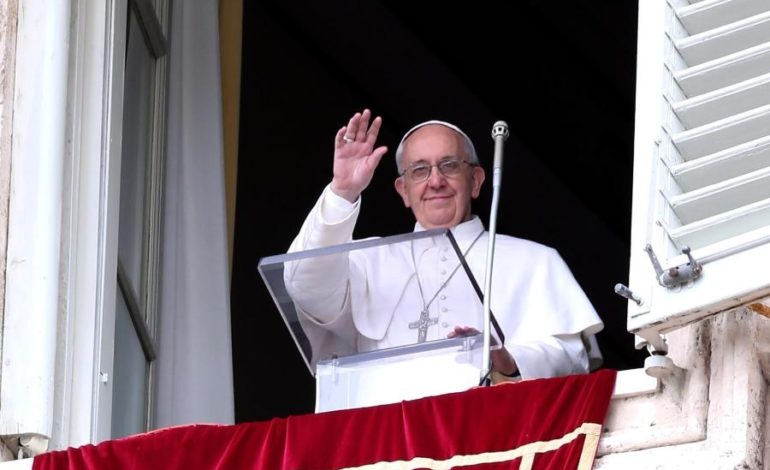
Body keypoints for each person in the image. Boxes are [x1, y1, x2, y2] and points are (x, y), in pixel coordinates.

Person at [284, 108, 603, 380]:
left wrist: (506, 359)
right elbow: (304, 287)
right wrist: (342, 192)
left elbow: (572, 358)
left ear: (476, 181)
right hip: (386, 437)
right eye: (419, 170)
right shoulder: (368, 259)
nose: (435, 181)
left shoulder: (534, 260)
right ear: (403, 191)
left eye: (449, 165)